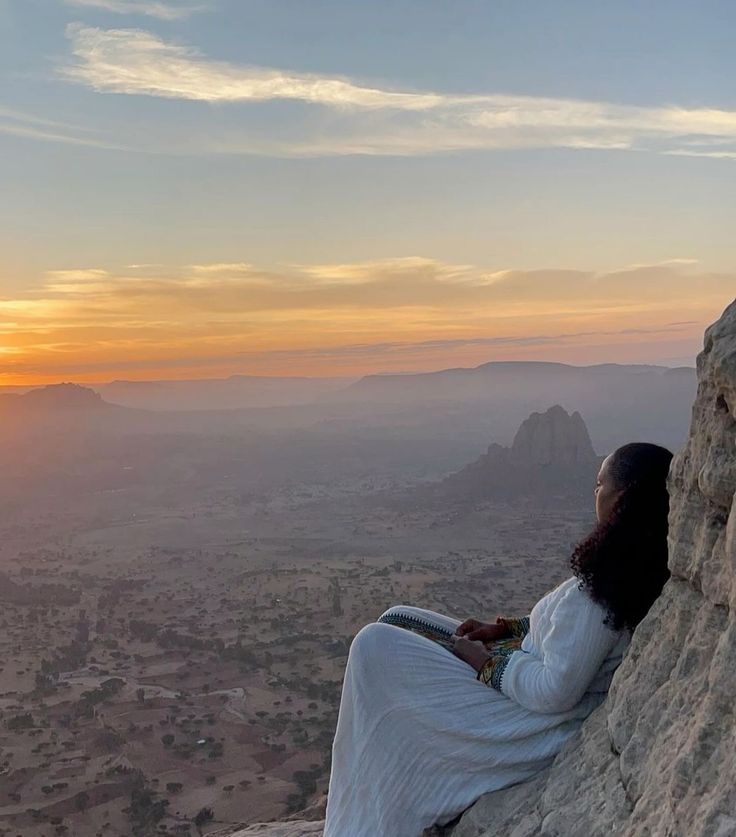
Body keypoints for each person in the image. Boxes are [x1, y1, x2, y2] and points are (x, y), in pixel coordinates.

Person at [324, 442, 673, 837]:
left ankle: (369, 815)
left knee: (373, 647)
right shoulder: (629, 568)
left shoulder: (603, 593)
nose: (594, 493)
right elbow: (569, 637)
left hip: (529, 721)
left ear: (622, 498)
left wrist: (484, 663)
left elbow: (555, 691)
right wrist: (506, 631)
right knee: (397, 619)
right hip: (524, 677)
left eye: (599, 484)